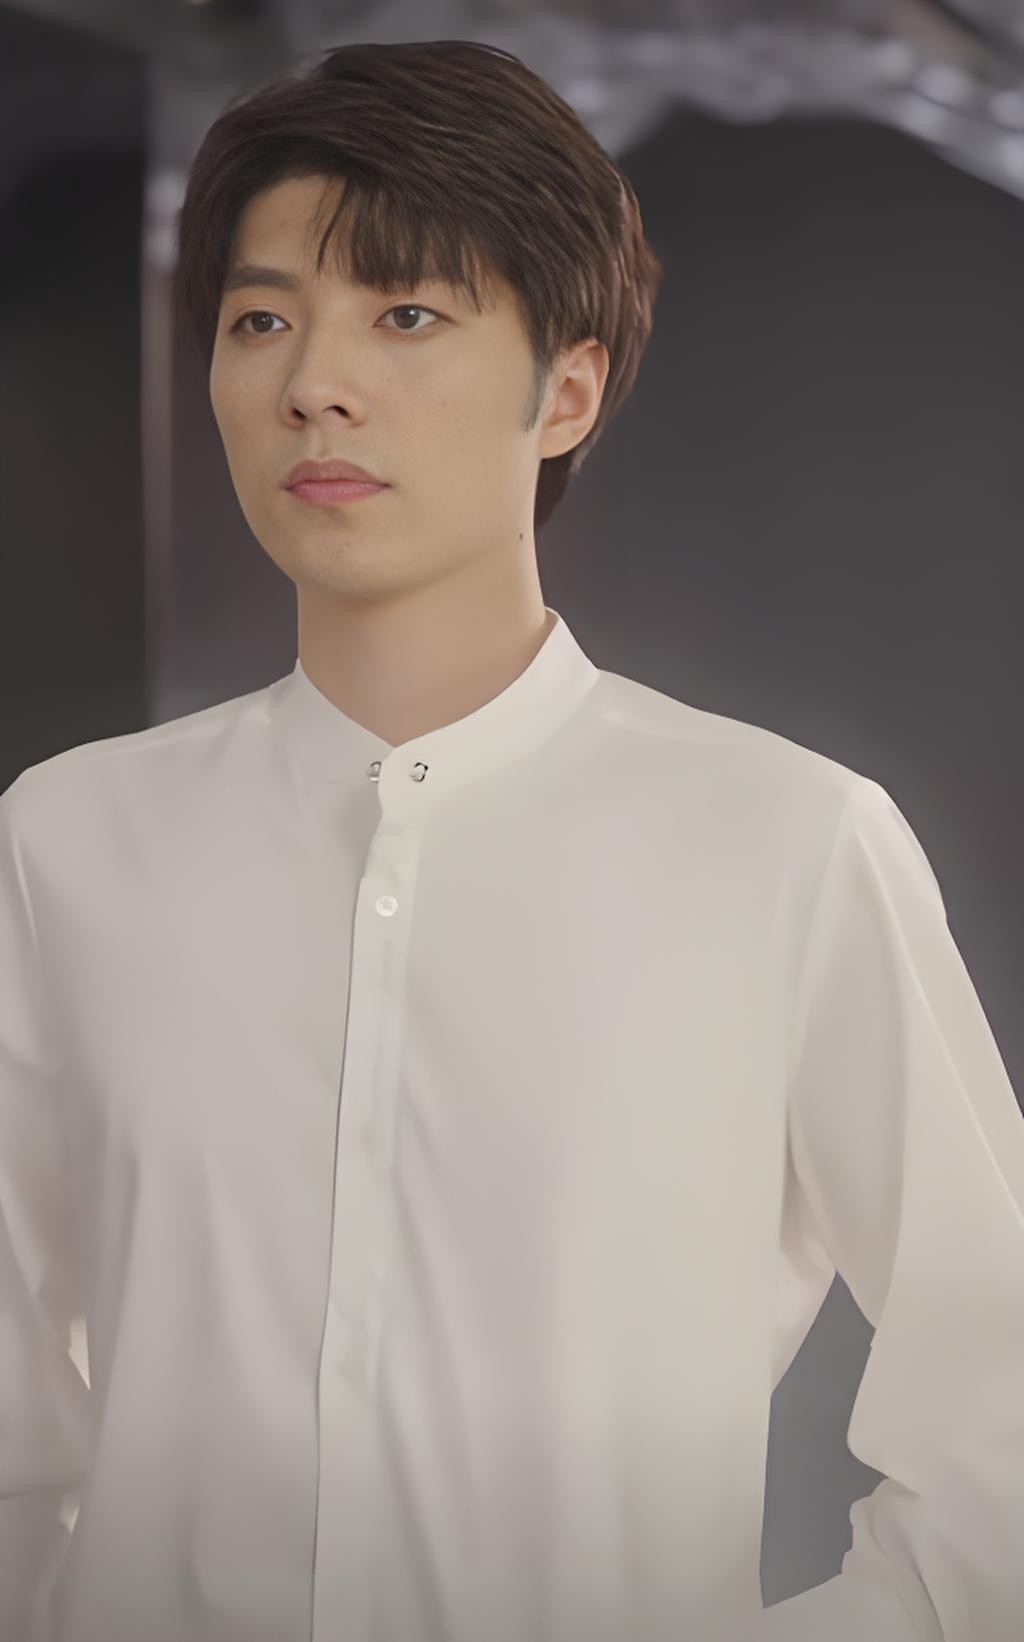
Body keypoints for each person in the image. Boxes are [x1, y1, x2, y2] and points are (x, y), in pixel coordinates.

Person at [1, 36, 1022, 1642]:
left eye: (406, 313)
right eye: (263, 319)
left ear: (569, 389)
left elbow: (1003, 1421)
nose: (313, 381)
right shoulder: (66, 845)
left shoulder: (787, 845)